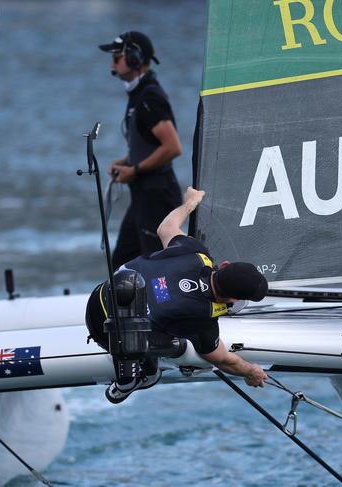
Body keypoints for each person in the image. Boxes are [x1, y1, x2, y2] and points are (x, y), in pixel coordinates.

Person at [86, 187, 269, 404]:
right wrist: (251, 371)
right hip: (109, 337)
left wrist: (190, 203)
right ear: (232, 300)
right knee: (185, 346)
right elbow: (223, 360)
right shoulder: (203, 320)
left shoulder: (195, 252)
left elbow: (166, 228)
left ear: (225, 264)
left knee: (144, 298)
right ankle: (136, 377)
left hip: (98, 297)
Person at [99, 31, 183, 269]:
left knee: (158, 265)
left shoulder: (149, 98)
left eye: (116, 58)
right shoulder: (138, 95)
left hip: (157, 196)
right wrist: (126, 161)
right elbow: (148, 144)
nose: (112, 63)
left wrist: (135, 170)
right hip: (143, 196)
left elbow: (173, 147)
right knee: (123, 262)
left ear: (135, 58)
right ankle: (128, 306)